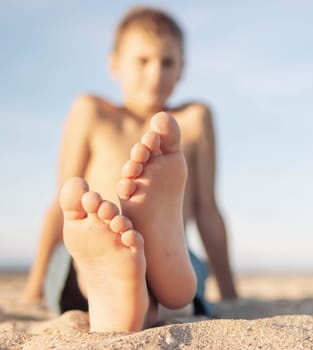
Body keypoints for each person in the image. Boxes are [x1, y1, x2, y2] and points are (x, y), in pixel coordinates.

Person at [22, 6, 237, 330]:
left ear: (181, 70)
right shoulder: (92, 112)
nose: (155, 73)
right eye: (143, 60)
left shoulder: (194, 119)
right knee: (92, 248)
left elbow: (207, 209)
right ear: (115, 64)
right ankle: (121, 285)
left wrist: (231, 290)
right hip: (90, 249)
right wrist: (33, 285)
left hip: (172, 258)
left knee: (169, 269)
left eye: (167, 63)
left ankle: (135, 284)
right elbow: (61, 204)